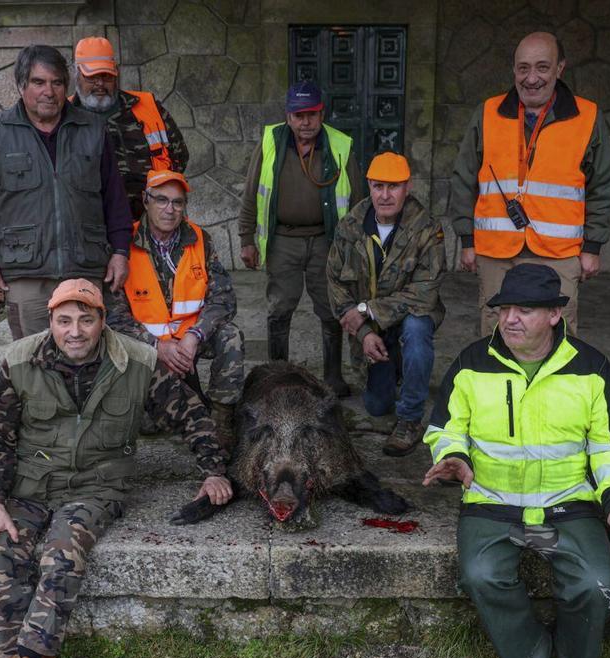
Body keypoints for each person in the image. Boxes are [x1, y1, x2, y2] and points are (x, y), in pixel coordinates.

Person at [422, 263, 610, 658]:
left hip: (566, 505)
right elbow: (446, 427)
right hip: (492, 504)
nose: (510, 318)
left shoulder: (591, 368)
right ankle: (530, 652)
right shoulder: (472, 362)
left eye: (525, 309)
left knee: (596, 582)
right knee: (480, 574)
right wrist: (453, 457)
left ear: (555, 314)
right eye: (504, 308)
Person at [0, 279, 156, 658]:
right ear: (50, 321)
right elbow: (0, 437)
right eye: (64, 320)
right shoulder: (19, 361)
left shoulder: (137, 361)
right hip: (31, 485)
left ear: (102, 321)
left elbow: (188, 411)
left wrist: (216, 470)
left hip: (96, 486)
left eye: (85, 319)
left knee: (62, 550)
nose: (74, 331)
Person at [449, 31, 610, 337]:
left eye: (542, 67)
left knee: (558, 336)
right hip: (495, 251)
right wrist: (466, 240)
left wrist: (592, 246)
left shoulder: (587, 117)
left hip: (559, 252)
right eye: (523, 68)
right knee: (496, 334)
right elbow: (463, 178)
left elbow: (604, 185)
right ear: (513, 70)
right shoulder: (487, 113)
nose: (531, 78)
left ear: (560, 69)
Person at [0, 44, 133, 340]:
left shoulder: (93, 129)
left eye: (57, 83)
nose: (49, 91)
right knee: (35, 364)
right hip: (27, 274)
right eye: (39, 82)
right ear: (21, 85)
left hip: (85, 267)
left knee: (88, 358)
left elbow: (114, 199)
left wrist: (120, 251)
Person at [106, 169, 243, 463]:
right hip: (145, 345)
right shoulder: (123, 244)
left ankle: (220, 422)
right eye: (161, 200)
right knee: (152, 424)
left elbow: (223, 298)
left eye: (178, 203)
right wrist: (158, 346)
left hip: (189, 339)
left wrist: (195, 336)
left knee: (230, 336)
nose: (170, 209)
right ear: (145, 200)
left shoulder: (200, 239)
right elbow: (114, 316)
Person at [239, 80, 363, 396]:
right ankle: (276, 378)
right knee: (280, 308)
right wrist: (246, 238)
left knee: (330, 307)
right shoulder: (271, 141)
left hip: (327, 242)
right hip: (284, 240)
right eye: (298, 115)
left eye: (311, 114)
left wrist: (356, 246)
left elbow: (359, 200)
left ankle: (333, 377)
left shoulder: (339, 144)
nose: (305, 122)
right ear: (288, 116)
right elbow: (252, 192)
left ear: (321, 114)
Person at [326, 151, 445, 456]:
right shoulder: (351, 225)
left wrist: (366, 309)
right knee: (377, 407)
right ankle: (397, 368)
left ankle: (410, 419)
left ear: (407, 187)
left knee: (417, 332)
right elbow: (336, 283)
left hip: (410, 315)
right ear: (369, 186)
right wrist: (365, 332)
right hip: (374, 327)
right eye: (379, 186)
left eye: (394, 187)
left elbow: (425, 292)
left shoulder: (426, 228)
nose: (386, 195)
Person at [71, 36, 190, 219]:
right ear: (76, 74)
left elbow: (180, 156)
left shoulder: (148, 107)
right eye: (92, 77)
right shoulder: (63, 117)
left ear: (116, 73)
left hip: (150, 226)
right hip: (89, 228)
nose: (100, 84)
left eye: (107, 76)